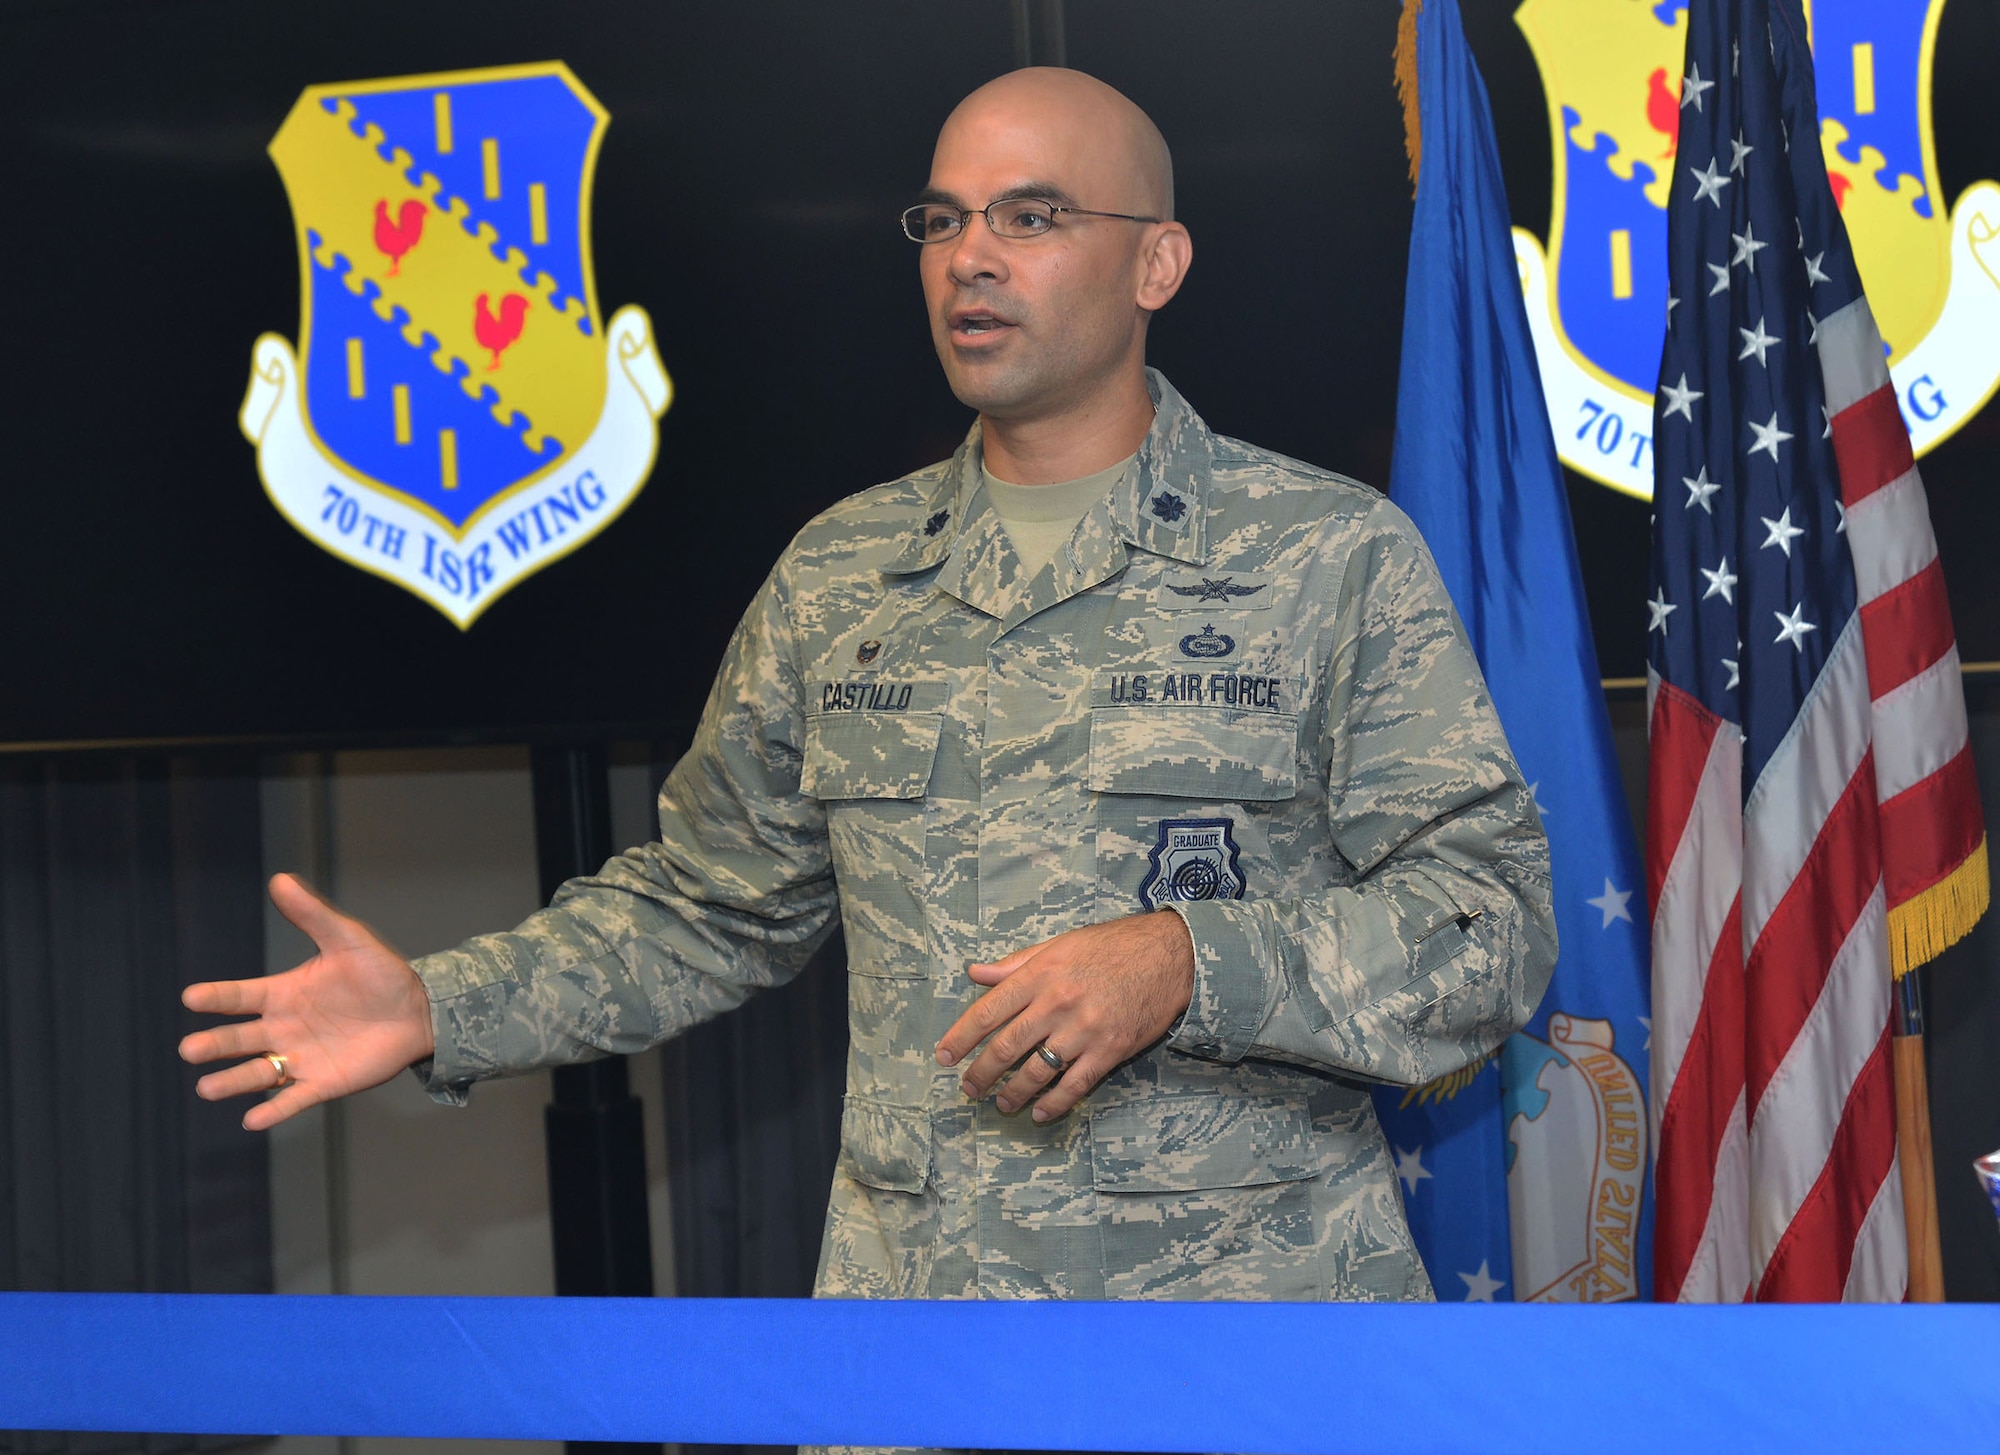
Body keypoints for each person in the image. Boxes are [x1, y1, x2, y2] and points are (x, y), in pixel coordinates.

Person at [182, 67, 1555, 1303]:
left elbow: (1487, 927)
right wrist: (440, 1005)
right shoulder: (842, 577)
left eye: (1030, 217)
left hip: (1245, 1349)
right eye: (943, 221)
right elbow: (706, 907)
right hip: (923, 1347)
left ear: (1159, 264)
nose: (970, 258)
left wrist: (1190, 962)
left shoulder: (1325, 555)